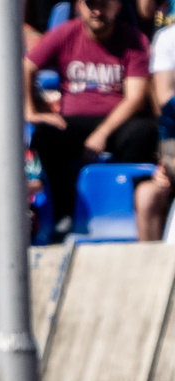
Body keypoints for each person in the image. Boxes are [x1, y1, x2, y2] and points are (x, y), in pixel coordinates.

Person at [28, 0, 150, 242]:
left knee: (143, 132)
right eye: (91, 4)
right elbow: (24, 67)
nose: (97, 11)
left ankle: (128, 210)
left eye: (104, 4)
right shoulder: (65, 33)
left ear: (117, 7)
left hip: (116, 122)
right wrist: (30, 112)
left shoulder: (134, 40)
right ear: (79, 6)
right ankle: (64, 214)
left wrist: (102, 132)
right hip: (73, 121)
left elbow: (135, 98)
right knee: (45, 134)